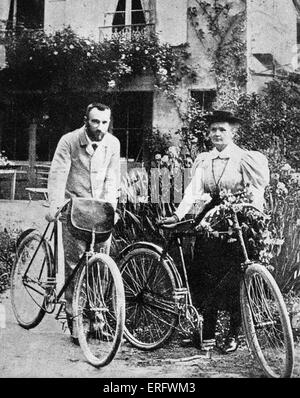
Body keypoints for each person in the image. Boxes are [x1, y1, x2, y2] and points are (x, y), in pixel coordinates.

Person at [161, 110, 270, 353]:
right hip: (210, 221)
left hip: (237, 222)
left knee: (234, 277)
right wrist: (178, 215)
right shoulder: (204, 160)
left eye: (222, 129)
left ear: (233, 132)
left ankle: (232, 334)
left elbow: (257, 191)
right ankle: (205, 332)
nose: (217, 134)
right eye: (213, 130)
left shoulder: (245, 159)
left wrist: (257, 215)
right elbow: (192, 191)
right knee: (203, 275)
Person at [46, 102, 120, 342]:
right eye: (95, 121)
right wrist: (55, 206)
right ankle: (77, 321)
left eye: (104, 122)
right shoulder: (69, 141)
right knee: (76, 266)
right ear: (85, 120)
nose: (100, 127)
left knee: (100, 266)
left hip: (99, 212)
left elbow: (112, 179)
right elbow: (58, 175)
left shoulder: (112, 144)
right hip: (74, 209)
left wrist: (111, 208)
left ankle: (98, 321)